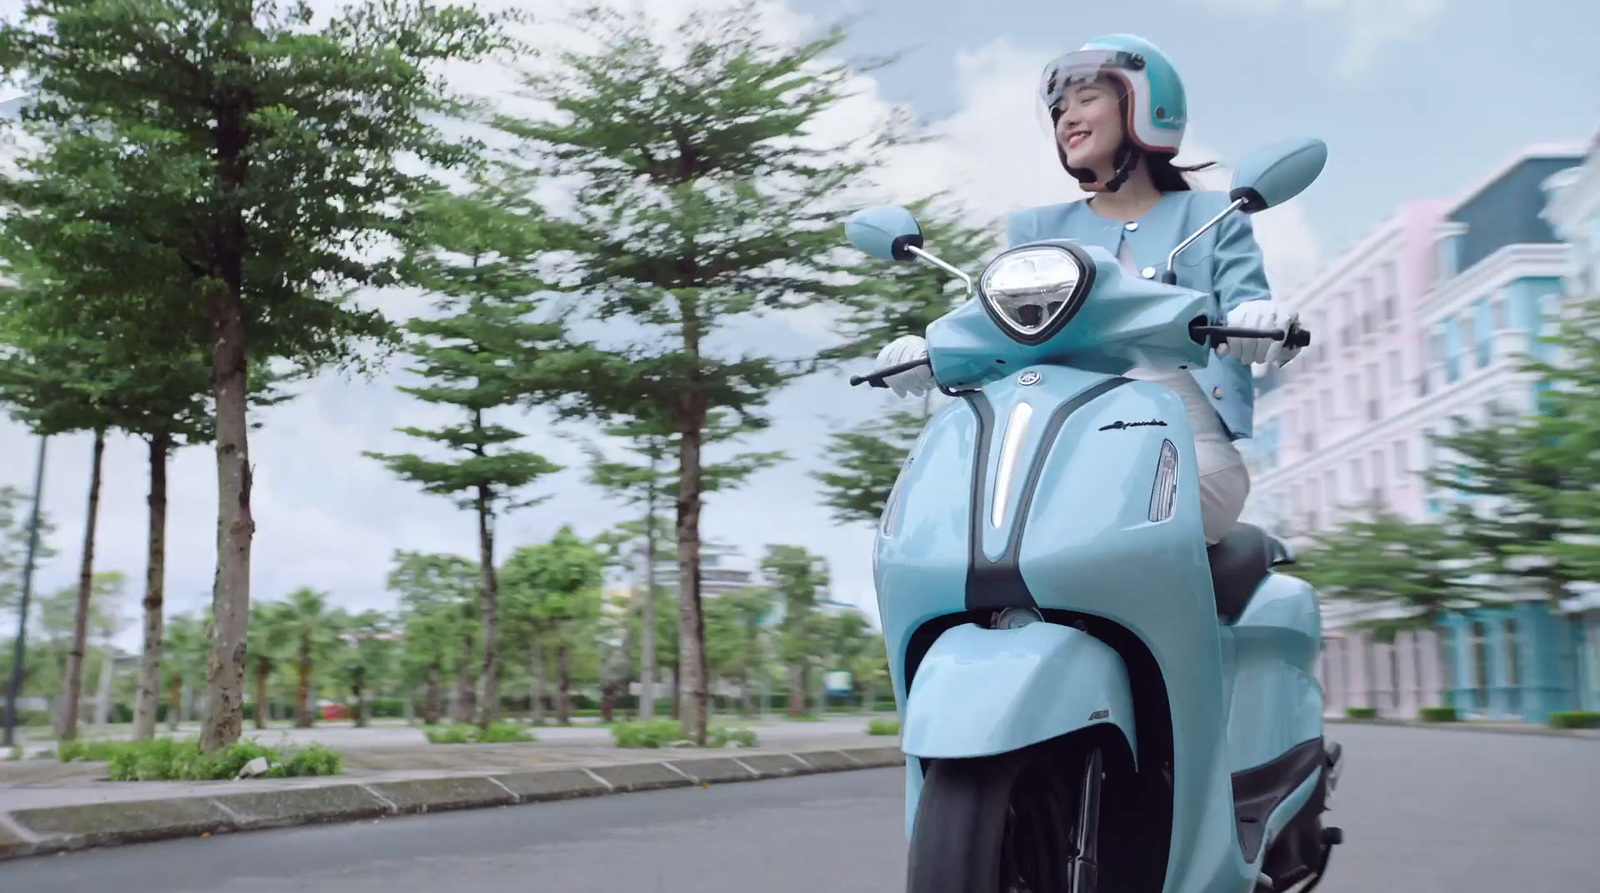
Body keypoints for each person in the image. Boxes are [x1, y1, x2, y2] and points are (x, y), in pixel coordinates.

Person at [874, 33, 1302, 546]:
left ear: (1146, 107)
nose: (1067, 118)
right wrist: (930, 348)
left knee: (1127, 525)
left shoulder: (1213, 216)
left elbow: (1242, 296)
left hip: (1183, 437)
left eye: (1087, 98)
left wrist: (1257, 316)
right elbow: (990, 323)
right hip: (1054, 444)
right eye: (1058, 109)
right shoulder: (1036, 230)